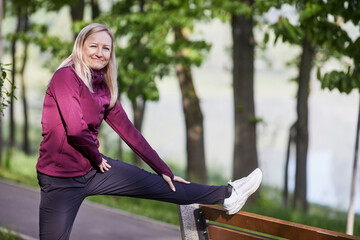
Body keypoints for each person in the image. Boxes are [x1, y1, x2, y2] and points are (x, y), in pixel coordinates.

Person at [36, 23, 262, 240]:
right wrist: (96, 157)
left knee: (167, 185)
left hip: (93, 170)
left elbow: (130, 132)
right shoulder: (65, 77)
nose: (99, 53)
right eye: (93, 46)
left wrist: (163, 169)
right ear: (80, 46)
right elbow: (76, 130)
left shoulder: (103, 88)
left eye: (106, 48)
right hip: (60, 179)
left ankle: (228, 194)